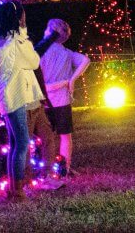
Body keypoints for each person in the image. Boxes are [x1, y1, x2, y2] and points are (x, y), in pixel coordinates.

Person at [0, 2, 47, 200]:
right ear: (18, 18)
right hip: (17, 95)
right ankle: (18, 192)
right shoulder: (18, 43)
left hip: (5, 95)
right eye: (23, 16)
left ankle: (13, 189)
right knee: (22, 144)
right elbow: (34, 61)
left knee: (14, 144)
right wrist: (24, 35)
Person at [37, 19, 90, 178]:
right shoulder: (65, 53)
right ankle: (64, 169)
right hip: (62, 99)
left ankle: (44, 169)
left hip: (43, 99)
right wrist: (71, 79)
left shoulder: (41, 51)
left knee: (45, 137)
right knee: (65, 135)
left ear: (50, 33)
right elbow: (85, 60)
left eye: (47, 29)